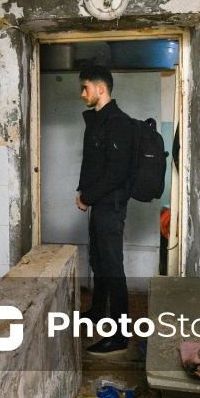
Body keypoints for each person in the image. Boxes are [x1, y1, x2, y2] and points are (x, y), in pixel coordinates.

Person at [75, 63, 134, 356]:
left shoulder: (118, 123)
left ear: (101, 89)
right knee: (99, 263)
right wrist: (83, 190)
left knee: (113, 270)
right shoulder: (98, 120)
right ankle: (97, 313)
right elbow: (95, 164)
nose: (82, 93)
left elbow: (116, 173)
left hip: (110, 207)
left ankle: (120, 336)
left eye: (85, 87)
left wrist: (88, 196)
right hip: (99, 205)